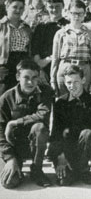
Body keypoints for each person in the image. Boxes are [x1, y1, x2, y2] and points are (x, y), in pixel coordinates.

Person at [0, 60, 52, 188]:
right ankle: (16, 167)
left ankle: (36, 170)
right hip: (14, 146)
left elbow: (43, 114)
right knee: (10, 183)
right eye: (26, 77)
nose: (30, 82)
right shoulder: (6, 97)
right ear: (18, 77)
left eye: (34, 78)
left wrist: (15, 122)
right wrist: (10, 158)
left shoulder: (44, 93)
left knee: (39, 127)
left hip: (35, 146)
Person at [48, 65, 91, 186]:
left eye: (76, 81)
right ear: (64, 83)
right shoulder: (60, 103)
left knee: (88, 132)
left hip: (83, 148)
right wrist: (60, 157)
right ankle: (72, 171)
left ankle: (83, 170)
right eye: (69, 82)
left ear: (83, 80)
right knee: (65, 182)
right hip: (64, 149)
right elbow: (56, 132)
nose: (72, 86)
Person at [50, 0, 91, 96]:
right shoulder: (61, 33)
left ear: (85, 14)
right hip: (65, 68)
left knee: (82, 102)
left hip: (84, 69)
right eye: (74, 13)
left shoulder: (90, 34)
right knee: (63, 101)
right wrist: (53, 81)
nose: (77, 16)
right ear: (68, 13)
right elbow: (55, 59)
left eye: (80, 13)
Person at [32, 0, 69, 83]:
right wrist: (39, 69)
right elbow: (35, 49)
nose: (54, 10)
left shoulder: (68, 25)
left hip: (62, 66)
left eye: (57, 6)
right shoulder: (41, 26)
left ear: (63, 6)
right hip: (43, 68)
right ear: (46, 7)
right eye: (51, 7)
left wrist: (51, 58)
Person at [0, 0, 32, 95]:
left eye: (21, 7)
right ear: (7, 7)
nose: (18, 10)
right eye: (15, 7)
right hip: (6, 64)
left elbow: (29, 48)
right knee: (4, 94)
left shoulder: (26, 27)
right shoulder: (1, 25)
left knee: (20, 94)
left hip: (23, 63)